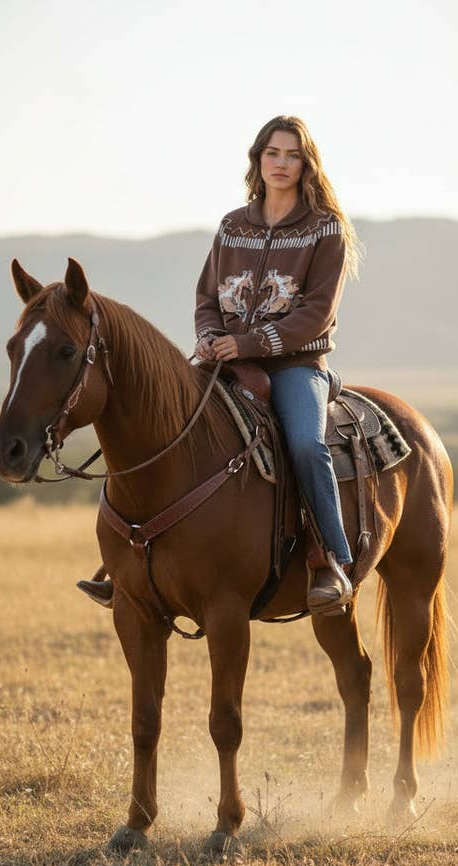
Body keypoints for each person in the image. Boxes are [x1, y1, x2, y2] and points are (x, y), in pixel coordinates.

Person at [78, 114, 360, 614]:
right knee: (166, 428)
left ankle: (332, 563)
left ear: (306, 164)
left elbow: (318, 313)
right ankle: (123, 565)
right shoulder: (233, 226)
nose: (281, 163)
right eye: (273, 153)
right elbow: (207, 296)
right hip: (226, 360)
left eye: (292, 155)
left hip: (295, 365)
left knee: (305, 444)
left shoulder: (325, 230)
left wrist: (248, 343)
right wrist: (210, 338)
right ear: (258, 159)